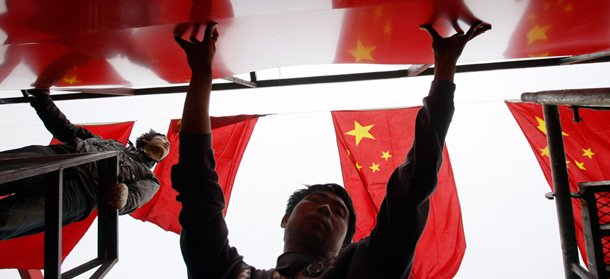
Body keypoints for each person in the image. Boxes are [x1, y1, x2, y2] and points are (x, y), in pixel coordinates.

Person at [172, 21, 489, 278]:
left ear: (348, 240)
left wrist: (445, 70)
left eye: (338, 212)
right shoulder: (231, 274)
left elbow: (413, 187)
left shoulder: (368, 268)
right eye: (316, 202)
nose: (325, 210)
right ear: (285, 219)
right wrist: (201, 75)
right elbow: (199, 195)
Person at [0, 90, 170, 241]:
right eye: (164, 139)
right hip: (58, 157)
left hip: (80, 194)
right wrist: (42, 99)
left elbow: (133, 199)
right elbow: (65, 129)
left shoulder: (150, 179)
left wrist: (123, 196)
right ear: (146, 140)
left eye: (168, 144)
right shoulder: (109, 143)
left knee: (10, 218)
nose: (167, 143)